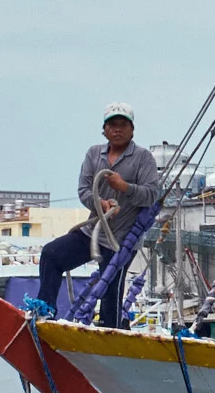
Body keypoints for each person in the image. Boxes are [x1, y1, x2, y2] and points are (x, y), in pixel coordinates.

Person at [36, 102, 161, 326]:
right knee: (51, 255)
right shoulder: (94, 154)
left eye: (123, 125)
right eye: (112, 124)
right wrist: (100, 203)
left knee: (111, 290)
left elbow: (152, 195)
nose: (118, 129)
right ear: (104, 129)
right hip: (92, 233)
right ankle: (45, 312)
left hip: (122, 241)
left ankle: (110, 332)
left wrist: (124, 187)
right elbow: (84, 190)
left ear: (132, 129)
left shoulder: (143, 158)